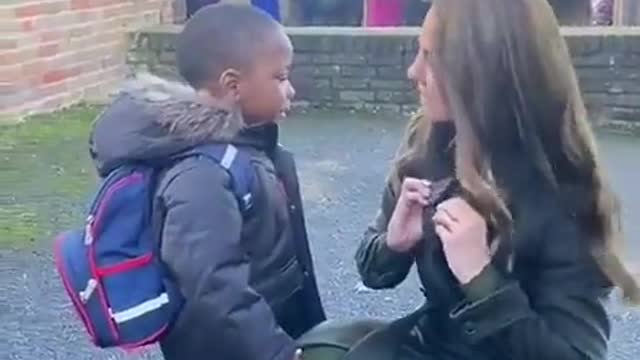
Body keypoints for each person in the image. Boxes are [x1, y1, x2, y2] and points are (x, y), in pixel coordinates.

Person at [355, 0, 640, 359]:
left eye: (431, 57)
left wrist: (481, 279)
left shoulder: (563, 192)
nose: (414, 71)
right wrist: (391, 247)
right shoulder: (427, 144)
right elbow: (372, 273)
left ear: (481, 72)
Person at [89, 4, 325, 360]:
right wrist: (280, 353)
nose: (290, 90)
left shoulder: (249, 146)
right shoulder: (201, 174)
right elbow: (214, 286)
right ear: (233, 85)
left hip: (271, 330)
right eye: (280, 77)